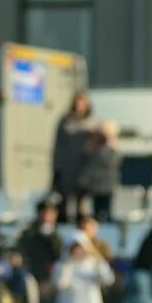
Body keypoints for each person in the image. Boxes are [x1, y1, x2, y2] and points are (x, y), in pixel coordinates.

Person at [52, 92, 94, 221]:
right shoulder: (65, 122)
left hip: (83, 168)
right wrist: (57, 166)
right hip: (67, 167)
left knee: (81, 200)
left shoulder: (90, 124)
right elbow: (58, 146)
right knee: (64, 198)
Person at [80, 122, 121, 224]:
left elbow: (113, 162)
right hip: (96, 184)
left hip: (107, 184)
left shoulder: (112, 149)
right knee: (96, 207)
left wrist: (110, 146)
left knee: (106, 207)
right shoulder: (93, 148)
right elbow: (88, 163)